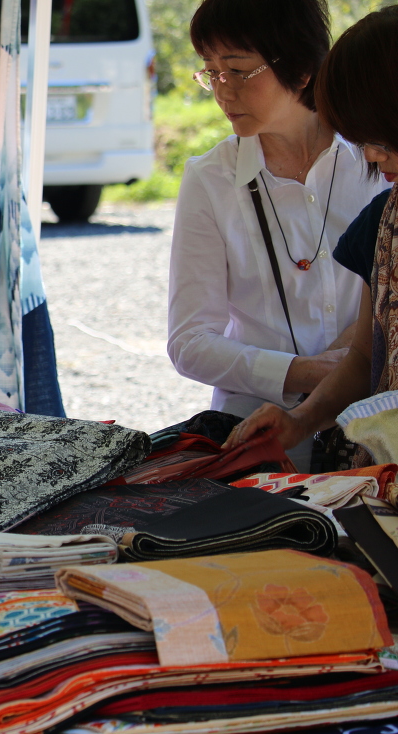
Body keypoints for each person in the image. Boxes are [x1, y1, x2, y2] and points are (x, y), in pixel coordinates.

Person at [166, 0, 385, 471]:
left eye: (238, 70)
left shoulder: (376, 157)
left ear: (302, 69)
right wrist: (309, 372)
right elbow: (189, 341)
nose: (222, 90)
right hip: (256, 434)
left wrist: (356, 354)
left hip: (371, 422)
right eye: (210, 72)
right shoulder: (210, 178)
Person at [226, 7, 398, 457]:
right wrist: (297, 422)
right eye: (363, 143)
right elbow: (365, 355)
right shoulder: (385, 221)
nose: (375, 157)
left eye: (382, 137)